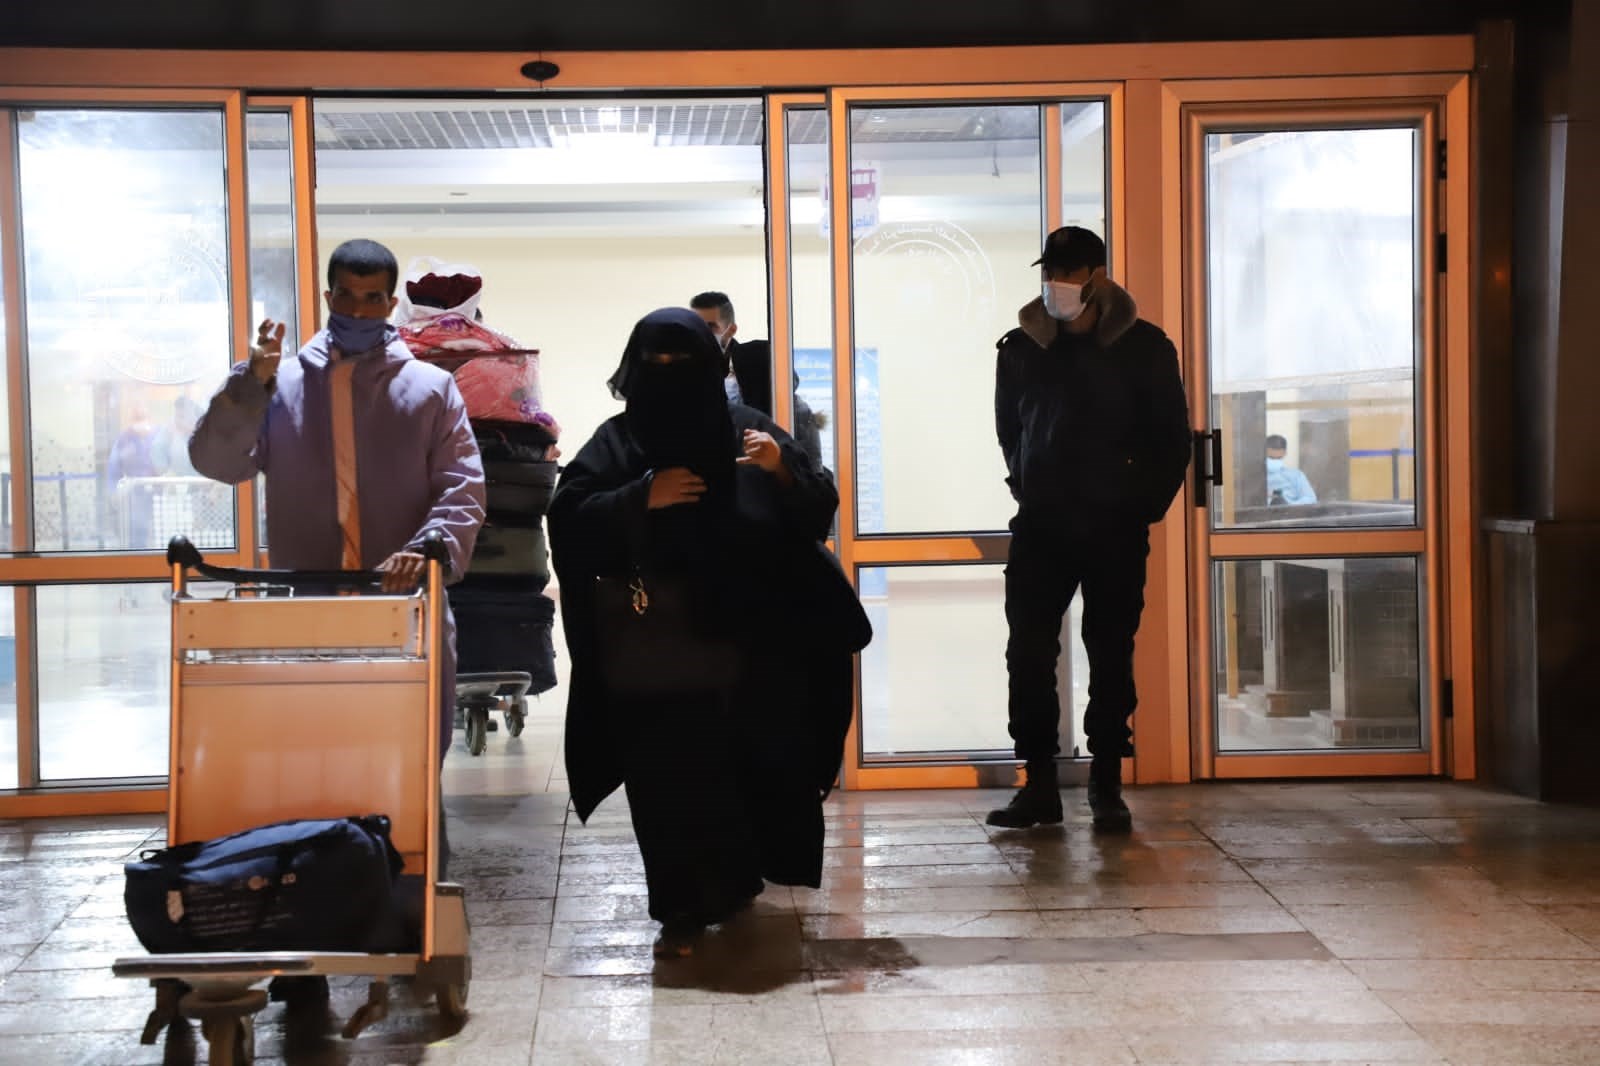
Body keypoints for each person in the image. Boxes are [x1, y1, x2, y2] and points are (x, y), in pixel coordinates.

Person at [189, 238, 485, 942]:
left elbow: (462, 488)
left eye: (372, 298)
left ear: (391, 302)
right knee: (305, 770)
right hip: (307, 615)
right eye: (346, 297)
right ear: (328, 297)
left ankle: (411, 922)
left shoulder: (429, 389)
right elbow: (216, 461)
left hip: (404, 614)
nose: (358, 309)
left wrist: (426, 549)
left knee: (409, 771)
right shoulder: (282, 383)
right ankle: (306, 932)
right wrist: (250, 385)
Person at [551, 307, 869, 958]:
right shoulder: (618, 443)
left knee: (755, 768)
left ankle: (739, 880)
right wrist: (641, 496)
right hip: (660, 654)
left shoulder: (750, 431)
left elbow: (817, 507)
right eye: (657, 365)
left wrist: (782, 470)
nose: (670, 378)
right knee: (670, 779)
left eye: (685, 365)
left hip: (758, 650)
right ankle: (681, 906)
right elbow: (571, 519)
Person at [990, 226, 1191, 832]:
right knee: (1028, 654)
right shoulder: (1021, 347)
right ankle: (1039, 785)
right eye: (1050, 272)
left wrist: (1139, 505)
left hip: (1114, 529)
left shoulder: (1144, 347)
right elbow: (1009, 430)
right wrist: (1027, 483)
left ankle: (1107, 783)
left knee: (1110, 654)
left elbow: (1171, 440)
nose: (1057, 284)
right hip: (1042, 526)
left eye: (1069, 273)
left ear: (1097, 278)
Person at [690, 291, 772, 416]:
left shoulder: (756, 358)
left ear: (731, 330)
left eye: (710, 327)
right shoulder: (682, 367)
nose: (700, 332)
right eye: (694, 326)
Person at [106, 404, 158, 547]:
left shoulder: (158, 436)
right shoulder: (124, 439)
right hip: (134, 496)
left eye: (142, 417)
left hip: (157, 493)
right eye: (137, 418)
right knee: (137, 534)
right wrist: (113, 491)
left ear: (149, 418)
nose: (140, 423)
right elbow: (113, 467)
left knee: (159, 533)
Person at [151, 395, 201, 478]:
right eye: (180, 416)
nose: (184, 422)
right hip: (175, 482)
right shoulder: (166, 434)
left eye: (190, 416)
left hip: (201, 482)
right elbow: (160, 466)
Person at [1265, 434, 1317, 505]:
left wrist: (1289, 505)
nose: (1275, 461)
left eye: (1279, 458)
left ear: (1285, 454)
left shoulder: (1296, 475)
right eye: (1271, 458)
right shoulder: (1256, 478)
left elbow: (1310, 498)